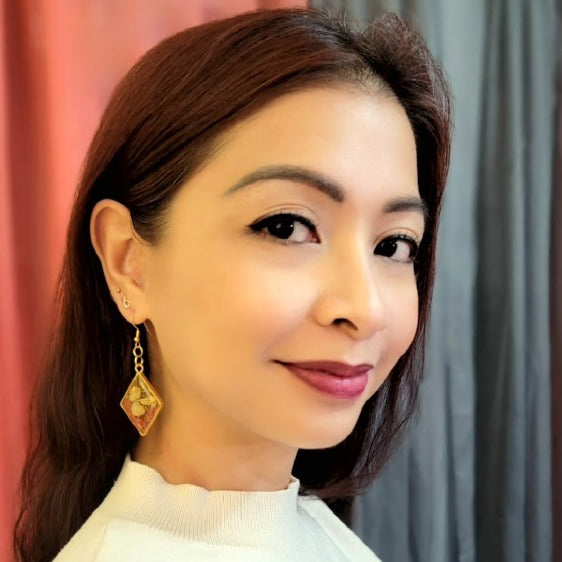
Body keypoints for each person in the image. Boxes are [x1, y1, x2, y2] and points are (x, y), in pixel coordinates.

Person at [13, 7, 451, 562]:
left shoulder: (311, 526)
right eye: (287, 227)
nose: (364, 309)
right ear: (129, 261)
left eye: (393, 245)